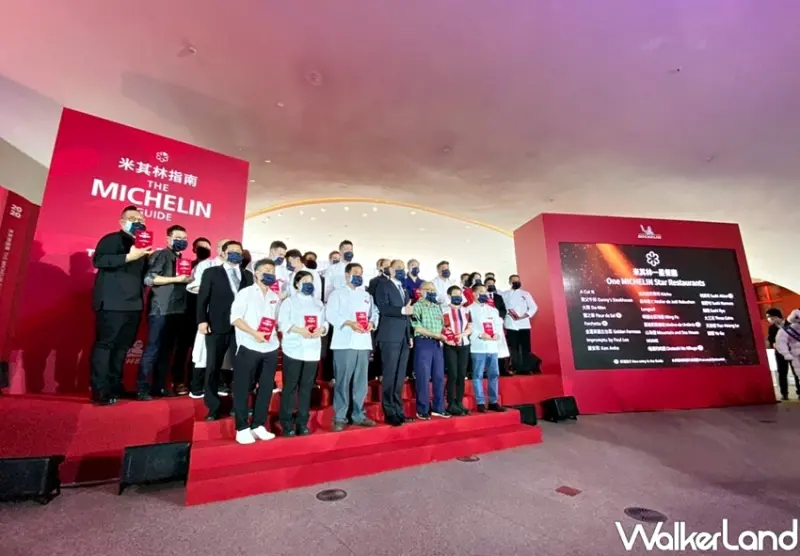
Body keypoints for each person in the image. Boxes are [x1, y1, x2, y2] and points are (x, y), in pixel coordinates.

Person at [89, 205, 153, 405]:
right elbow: (99, 260)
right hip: (112, 303)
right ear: (122, 222)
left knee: (122, 348)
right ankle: (100, 390)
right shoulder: (111, 239)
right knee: (106, 346)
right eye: (133, 218)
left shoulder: (142, 247)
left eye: (141, 220)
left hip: (134, 305)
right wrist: (128, 257)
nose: (138, 222)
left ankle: (115, 386)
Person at [196, 240, 254, 420]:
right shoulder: (211, 272)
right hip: (216, 326)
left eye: (239, 251)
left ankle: (239, 406)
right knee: (213, 367)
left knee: (242, 368)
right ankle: (213, 407)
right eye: (232, 251)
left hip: (241, 328)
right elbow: (202, 299)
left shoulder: (248, 275)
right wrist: (202, 320)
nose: (236, 254)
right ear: (222, 253)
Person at [137, 225, 192, 400]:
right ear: (168, 239)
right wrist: (176, 279)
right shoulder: (162, 255)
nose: (181, 241)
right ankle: (142, 388)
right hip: (161, 309)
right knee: (153, 349)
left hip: (177, 310)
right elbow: (149, 278)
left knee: (167, 351)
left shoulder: (181, 259)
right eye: (177, 237)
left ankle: (159, 386)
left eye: (184, 238)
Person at [229, 258, 280, 444]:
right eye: (266, 270)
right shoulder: (245, 293)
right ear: (256, 273)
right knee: (243, 387)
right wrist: (254, 333)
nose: (270, 273)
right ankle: (242, 427)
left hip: (270, 347)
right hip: (249, 346)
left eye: (272, 271)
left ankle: (258, 424)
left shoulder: (275, 296)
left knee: (266, 388)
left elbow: (277, 321)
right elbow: (235, 318)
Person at [326, 263, 379, 431]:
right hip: (344, 343)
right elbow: (330, 314)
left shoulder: (366, 295)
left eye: (361, 273)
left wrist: (372, 323)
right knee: (342, 381)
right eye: (355, 272)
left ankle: (358, 414)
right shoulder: (337, 294)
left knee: (361, 382)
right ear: (347, 275)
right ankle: (340, 417)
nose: (359, 276)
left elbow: (374, 313)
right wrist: (348, 323)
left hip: (363, 343)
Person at [277, 270, 327, 436]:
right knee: (290, 386)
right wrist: (300, 330)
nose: (308, 284)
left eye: (310, 281)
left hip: (312, 349)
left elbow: (325, 322)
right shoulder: (289, 302)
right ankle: (286, 423)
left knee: (306, 387)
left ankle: (302, 422)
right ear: (297, 284)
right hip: (294, 348)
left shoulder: (318, 303)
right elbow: (283, 323)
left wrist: (322, 329)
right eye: (304, 281)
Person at [187, 238, 230, 398]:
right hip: (209, 314)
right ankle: (197, 386)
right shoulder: (206, 265)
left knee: (225, 353)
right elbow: (193, 287)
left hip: (228, 317)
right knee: (202, 352)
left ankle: (220, 384)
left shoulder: (237, 270)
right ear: (219, 250)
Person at [374, 259, 414, 426]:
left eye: (402, 268)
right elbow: (383, 307)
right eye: (397, 268)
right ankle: (389, 411)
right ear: (389, 270)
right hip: (389, 336)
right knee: (390, 375)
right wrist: (402, 310)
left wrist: (409, 334)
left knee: (399, 376)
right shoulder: (383, 285)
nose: (401, 270)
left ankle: (398, 409)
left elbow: (408, 315)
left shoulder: (404, 289)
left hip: (403, 337)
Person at [411, 282, 450, 419]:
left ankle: (439, 408)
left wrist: (447, 336)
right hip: (423, 342)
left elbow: (442, 326)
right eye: (428, 289)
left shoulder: (437, 307)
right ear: (421, 291)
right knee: (423, 376)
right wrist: (435, 335)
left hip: (437, 344)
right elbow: (416, 327)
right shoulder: (416, 306)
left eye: (433, 289)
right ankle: (422, 409)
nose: (432, 292)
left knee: (439, 376)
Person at [468, 283, 507, 413]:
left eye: (485, 292)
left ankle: (493, 401)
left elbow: (498, 325)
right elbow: (468, 327)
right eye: (480, 292)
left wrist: (497, 334)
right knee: (478, 375)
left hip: (492, 346)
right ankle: (480, 402)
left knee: (494, 374)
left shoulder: (493, 310)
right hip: (478, 347)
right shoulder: (468, 310)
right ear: (474, 294)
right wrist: (479, 334)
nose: (483, 294)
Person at [443, 285, 472, 415]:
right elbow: (444, 327)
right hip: (450, 345)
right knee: (453, 374)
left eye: (459, 294)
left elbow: (470, 327)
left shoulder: (466, 310)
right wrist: (450, 337)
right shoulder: (445, 310)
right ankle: (450, 403)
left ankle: (459, 402)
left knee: (461, 374)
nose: (458, 297)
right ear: (449, 296)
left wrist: (462, 335)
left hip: (464, 344)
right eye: (455, 294)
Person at [502, 274, 538, 375]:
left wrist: (524, 316)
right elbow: (503, 307)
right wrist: (509, 313)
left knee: (526, 347)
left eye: (518, 281)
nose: (516, 283)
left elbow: (534, 307)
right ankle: (515, 367)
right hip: (510, 324)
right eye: (514, 281)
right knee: (514, 348)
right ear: (510, 282)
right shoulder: (505, 294)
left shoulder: (525, 294)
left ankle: (526, 368)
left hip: (524, 324)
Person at [768, 308, 800, 400]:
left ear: (777, 316)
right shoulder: (772, 328)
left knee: (796, 372)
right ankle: (784, 393)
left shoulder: (791, 324)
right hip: (780, 353)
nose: (769, 320)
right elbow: (770, 339)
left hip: (793, 352)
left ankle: (799, 391)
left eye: (771, 317)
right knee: (782, 373)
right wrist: (773, 343)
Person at [485, 275, 511, 375]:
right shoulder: (482, 297)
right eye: (489, 284)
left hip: (497, 324)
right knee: (488, 347)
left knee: (500, 347)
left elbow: (503, 310)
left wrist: (499, 318)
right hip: (486, 325)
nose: (491, 285)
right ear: (485, 285)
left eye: (492, 284)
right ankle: (487, 370)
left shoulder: (498, 297)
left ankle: (503, 369)